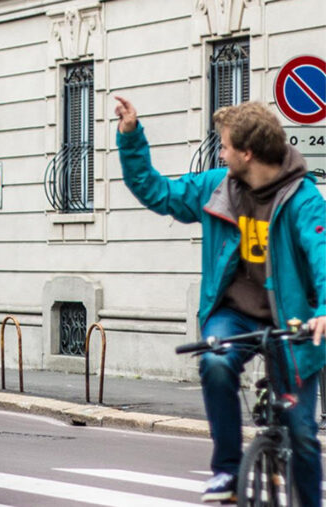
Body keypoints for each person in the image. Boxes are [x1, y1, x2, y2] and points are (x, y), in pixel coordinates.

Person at [115, 97, 326, 505]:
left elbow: (322, 252)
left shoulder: (302, 198)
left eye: (225, 146)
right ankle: (227, 471)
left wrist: (324, 309)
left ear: (247, 153)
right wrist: (130, 136)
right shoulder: (217, 188)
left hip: (293, 321)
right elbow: (157, 191)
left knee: (302, 433)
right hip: (234, 315)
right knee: (214, 361)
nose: (221, 153)